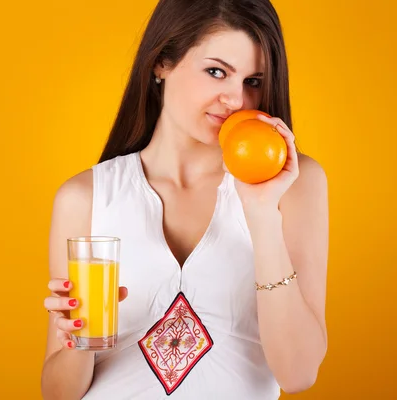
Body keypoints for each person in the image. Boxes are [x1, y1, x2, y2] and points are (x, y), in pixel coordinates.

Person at [41, 0, 329, 398]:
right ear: (162, 62)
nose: (236, 100)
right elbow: (59, 393)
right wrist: (78, 334)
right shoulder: (84, 198)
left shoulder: (294, 185)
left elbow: (298, 375)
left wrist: (262, 215)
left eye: (254, 81)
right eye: (217, 72)